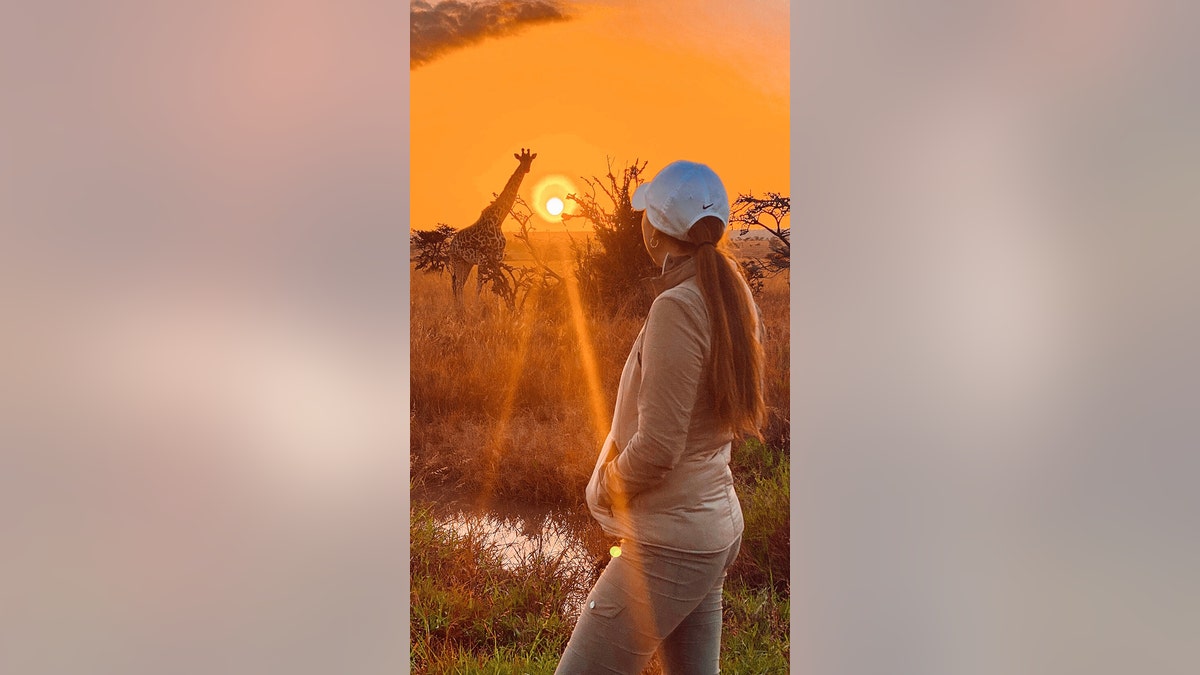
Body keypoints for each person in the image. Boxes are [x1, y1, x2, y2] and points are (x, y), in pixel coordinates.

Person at [555, 161, 766, 674]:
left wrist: (605, 485)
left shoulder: (678, 306)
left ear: (657, 232)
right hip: (711, 529)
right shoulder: (733, 297)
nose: (641, 224)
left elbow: (658, 448)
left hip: (671, 547)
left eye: (645, 214)